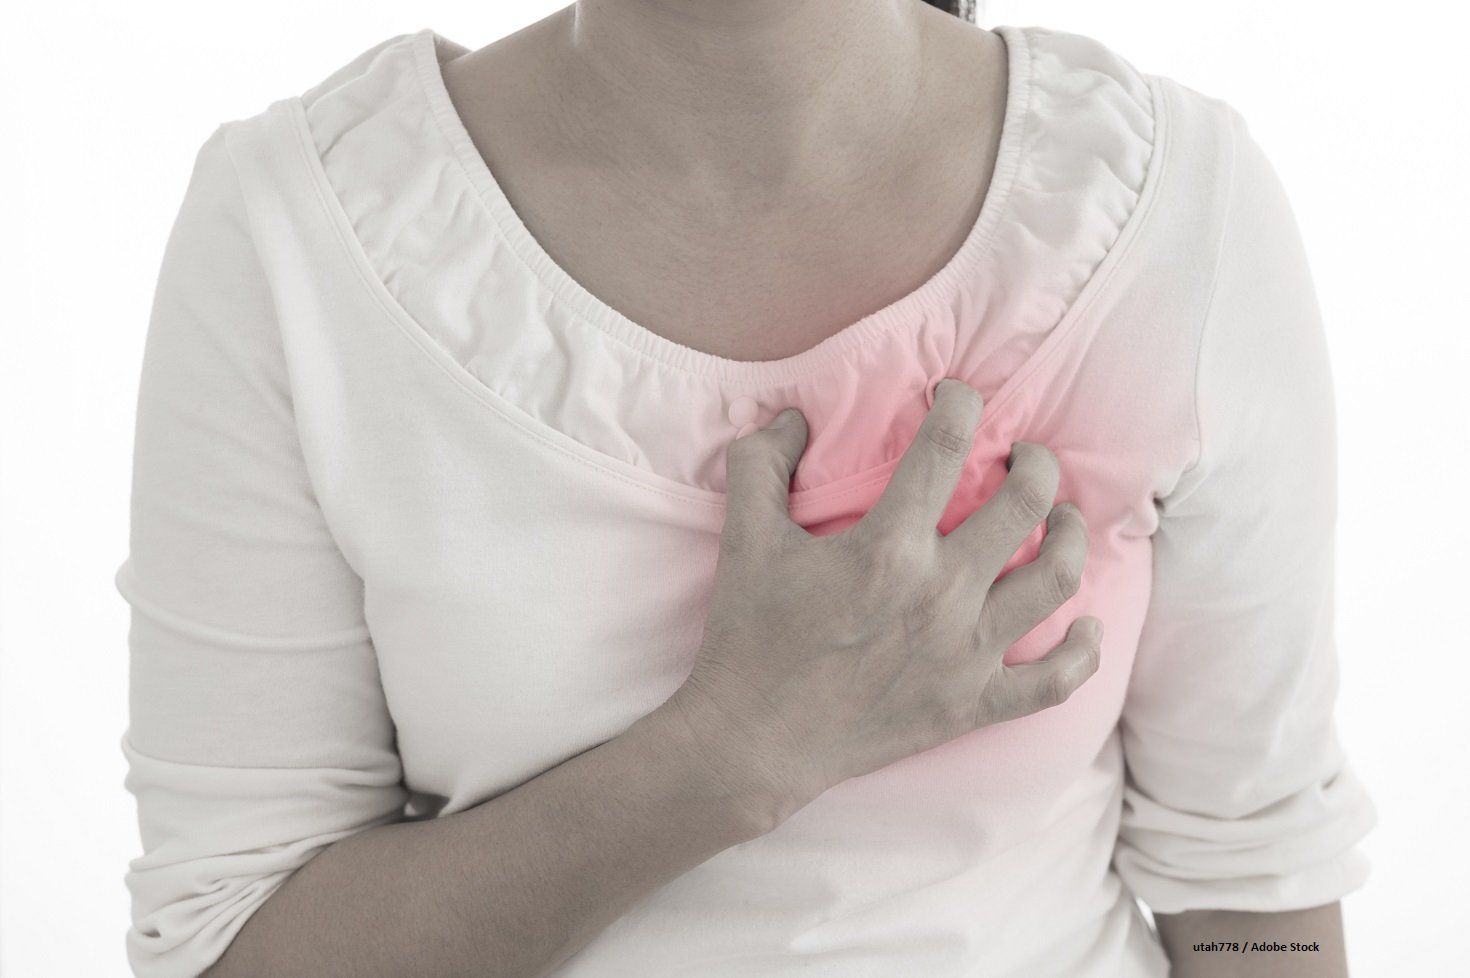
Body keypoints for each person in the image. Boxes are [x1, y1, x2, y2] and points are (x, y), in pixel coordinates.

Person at [117, 1, 1377, 976]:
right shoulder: (298, 236)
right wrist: (733, 754)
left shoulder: (1175, 211)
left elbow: (1256, 899)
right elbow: (230, 946)